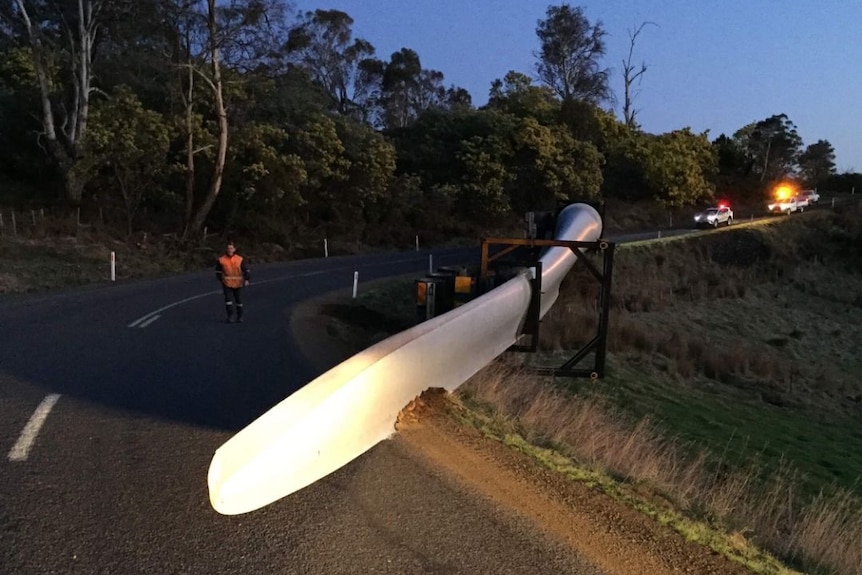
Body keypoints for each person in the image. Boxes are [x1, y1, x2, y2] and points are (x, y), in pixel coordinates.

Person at [215, 242, 250, 323]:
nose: (230, 250)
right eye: (228, 248)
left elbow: (246, 270)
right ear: (226, 249)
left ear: (234, 249)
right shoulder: (222, 260)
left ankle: (240, 317)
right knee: (228, 301)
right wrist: (221, 279)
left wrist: (247, 279)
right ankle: (230, 317)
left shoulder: (239, 259)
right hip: (227, 283)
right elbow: (218, 271)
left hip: (238, 283)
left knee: (239, 300)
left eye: (231, 248)